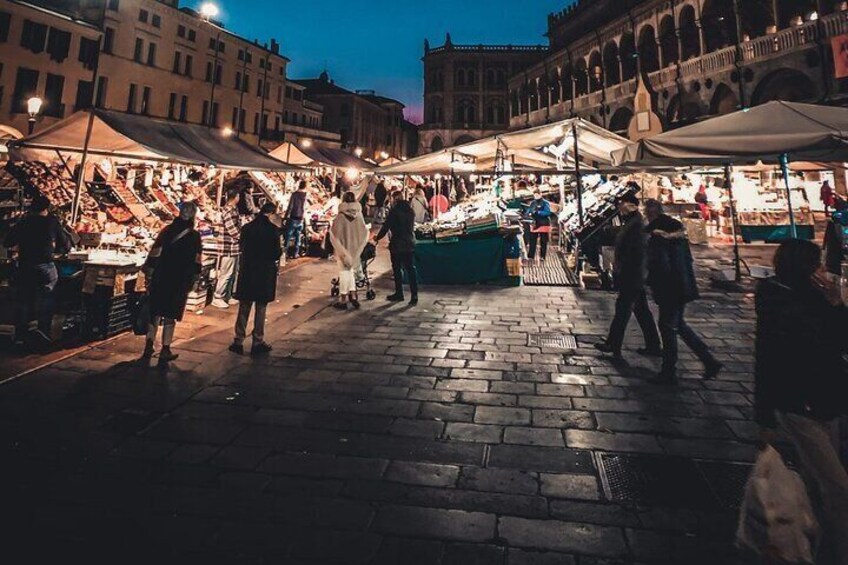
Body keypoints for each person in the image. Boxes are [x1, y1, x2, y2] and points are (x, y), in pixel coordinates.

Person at [754, 239, 848, 564]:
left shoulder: (821, 299)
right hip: (798, 405)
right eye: (818, 264)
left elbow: (841, 344)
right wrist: (764, 416)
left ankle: (814, 544)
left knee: (818, 484)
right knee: (838, 487)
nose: (824, 270)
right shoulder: (777, 301)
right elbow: (765, 358)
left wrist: (836, 304)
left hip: (829, 402)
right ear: (804, 269)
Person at [643, 199, 722, 384]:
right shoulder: (678, 235)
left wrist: (650, 279)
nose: (646, 214)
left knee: (667, 327)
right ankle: (709, 361)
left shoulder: (659, 237)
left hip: (670, 288)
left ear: (653, 212)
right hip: (682, 286)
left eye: (647, 210)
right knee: (678, 325)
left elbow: (662, 266)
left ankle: (669, 371)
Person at [595, 192, 662, 358]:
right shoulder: (633, 222)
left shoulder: (636, 224)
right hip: (634, 274)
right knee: (641, 311)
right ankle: (653, 345)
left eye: (621, 203)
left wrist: (623, 267)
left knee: (622, 309)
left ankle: (613, 344)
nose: (619, 207)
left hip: (632, 274)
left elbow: (635, 250)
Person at [4, 195, 71, 345]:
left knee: (24, 301)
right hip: (45, 266)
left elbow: (8, 242)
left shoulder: (24, 222)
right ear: (47, 208)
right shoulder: (52, 222)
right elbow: (66, 245)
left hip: (25, 266)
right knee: (46, 297)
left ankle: (21, 334)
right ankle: (43, 331)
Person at [143, 202, 202, 363]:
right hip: (180, 279)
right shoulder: (194, 236)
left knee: (155, 311)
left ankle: (149, 344)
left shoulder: (167, 231)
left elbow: (154, 253)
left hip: (161, 276)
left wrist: (149, 273)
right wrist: (195, 278)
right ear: (193, 215)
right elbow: (197, 259)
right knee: (171, 313)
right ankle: (165, 348)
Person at [229, 202, 282, 356]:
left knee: (244, 305)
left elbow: (242, 246)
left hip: (248, 271)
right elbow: (276, 253)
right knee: (261, 307)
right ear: (272, 213)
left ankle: (238, 340)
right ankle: (257, 340)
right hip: (264, 272)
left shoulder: (247, 228)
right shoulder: (273, 231)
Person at [374, 191, 418, 306]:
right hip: (409, 242)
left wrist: (377, 238)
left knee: (397, 269)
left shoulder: (394, 212)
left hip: (397, 244)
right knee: (411, 269)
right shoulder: (410, 211)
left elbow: (386, 227)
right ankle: (414, 295)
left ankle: (399, 293)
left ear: (395, 199)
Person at [329, 192, 369, 310]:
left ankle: (343, 299)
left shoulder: (341, 216)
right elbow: (364, 232)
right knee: (351, 272)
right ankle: (353, 295)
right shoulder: (359, 215)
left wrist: (340, 247)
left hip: (343, 249)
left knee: (344, 272)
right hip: (355, 249)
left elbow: (334, 233)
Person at [211, 187, 241, 309]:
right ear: (235, 197)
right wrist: (242, 236)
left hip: (234, 247)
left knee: (232, 273)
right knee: (226, 273)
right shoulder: (228, 211)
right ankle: (218, 296)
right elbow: (232, 230)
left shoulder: (234, 209)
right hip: (228, 246)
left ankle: (227, 295)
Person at [526, 189, 553, 263]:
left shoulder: (545, 203)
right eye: (535, 195)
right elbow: (529, 210)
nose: (536, 196)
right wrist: (529, 213)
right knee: (532, 240)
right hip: (534, 223)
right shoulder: (533, 203)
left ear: (541, 194)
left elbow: (548, 212)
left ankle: (542, 256)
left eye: (537, 195)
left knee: (543, 241)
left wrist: (538, 212)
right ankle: (531, 256)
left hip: (543, 224)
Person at [283, 180, 308, 259]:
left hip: (293, 218)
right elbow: (305, 208)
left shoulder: (294, 195)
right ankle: (295, 253)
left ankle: (284, 253)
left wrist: (285, 217)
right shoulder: (306, 195)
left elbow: (290, 207)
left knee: (288, 236)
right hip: (301, 219)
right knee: (298, 236)